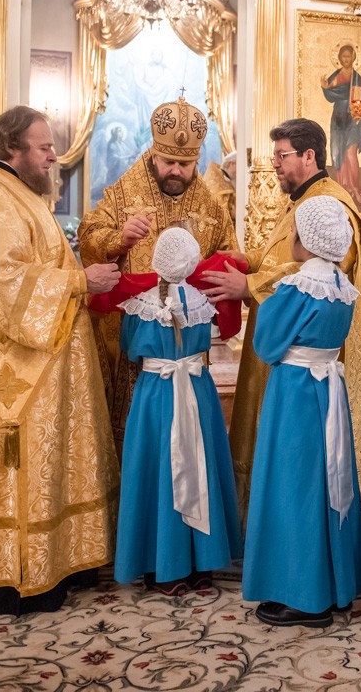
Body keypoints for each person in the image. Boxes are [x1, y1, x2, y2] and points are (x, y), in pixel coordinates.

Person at [0, 106, 121, 616]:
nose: (53, 156)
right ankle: (11, 576)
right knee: (19, 474)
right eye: (44, 147)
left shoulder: (14, 191)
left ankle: (62, 561)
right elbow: (2, 281)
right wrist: (81, 281)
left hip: (40, 363)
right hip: (13, 372)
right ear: (11, 148)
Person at [203, 118, 361, 520]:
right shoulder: (303, 200)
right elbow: (286, 256)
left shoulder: (331, 204)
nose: (275, 164)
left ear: (309, 155)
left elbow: (326, 270)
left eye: (281, 156)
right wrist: (249, 261)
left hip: (306, 361)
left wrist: (248, 285)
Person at [79, 96, 238, 456]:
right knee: (138, 429)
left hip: (188, 347)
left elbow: (228, 257)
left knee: (189, 434)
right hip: (136, 344)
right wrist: (119, 239)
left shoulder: (212, 207)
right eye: (168, 162)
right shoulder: (123, 194)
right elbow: (89, 234)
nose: (176, 171)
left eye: (185, 164)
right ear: (153, 154)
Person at [242, 195, 361, 628]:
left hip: (295, 394)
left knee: (294, 486)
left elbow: (266, 345)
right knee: (328, 480)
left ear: (305, 239)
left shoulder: (295, 289)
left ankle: (304, 596)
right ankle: (336, 585)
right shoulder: (343, 288)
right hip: (328, 391)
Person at [107, 228, 242, 597]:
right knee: (199, 465)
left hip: (156, 394)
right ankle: (202, 563)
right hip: (198, 392)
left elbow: (130, 348)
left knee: (159, 470)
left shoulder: (141, 305)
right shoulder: (203, 303)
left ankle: (164, 566)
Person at [321, 44, 361, 206]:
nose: (346, 59)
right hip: (338, 119)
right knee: (339, 153)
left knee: (351, 153)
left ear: (353, 58)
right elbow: (330, 95)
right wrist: (325, 87)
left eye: (348, 56)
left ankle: (355, 188)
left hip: (353, 119)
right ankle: (342, 189)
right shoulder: (336, 76)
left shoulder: (357, 79)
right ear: (339, 58)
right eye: (343, 56)